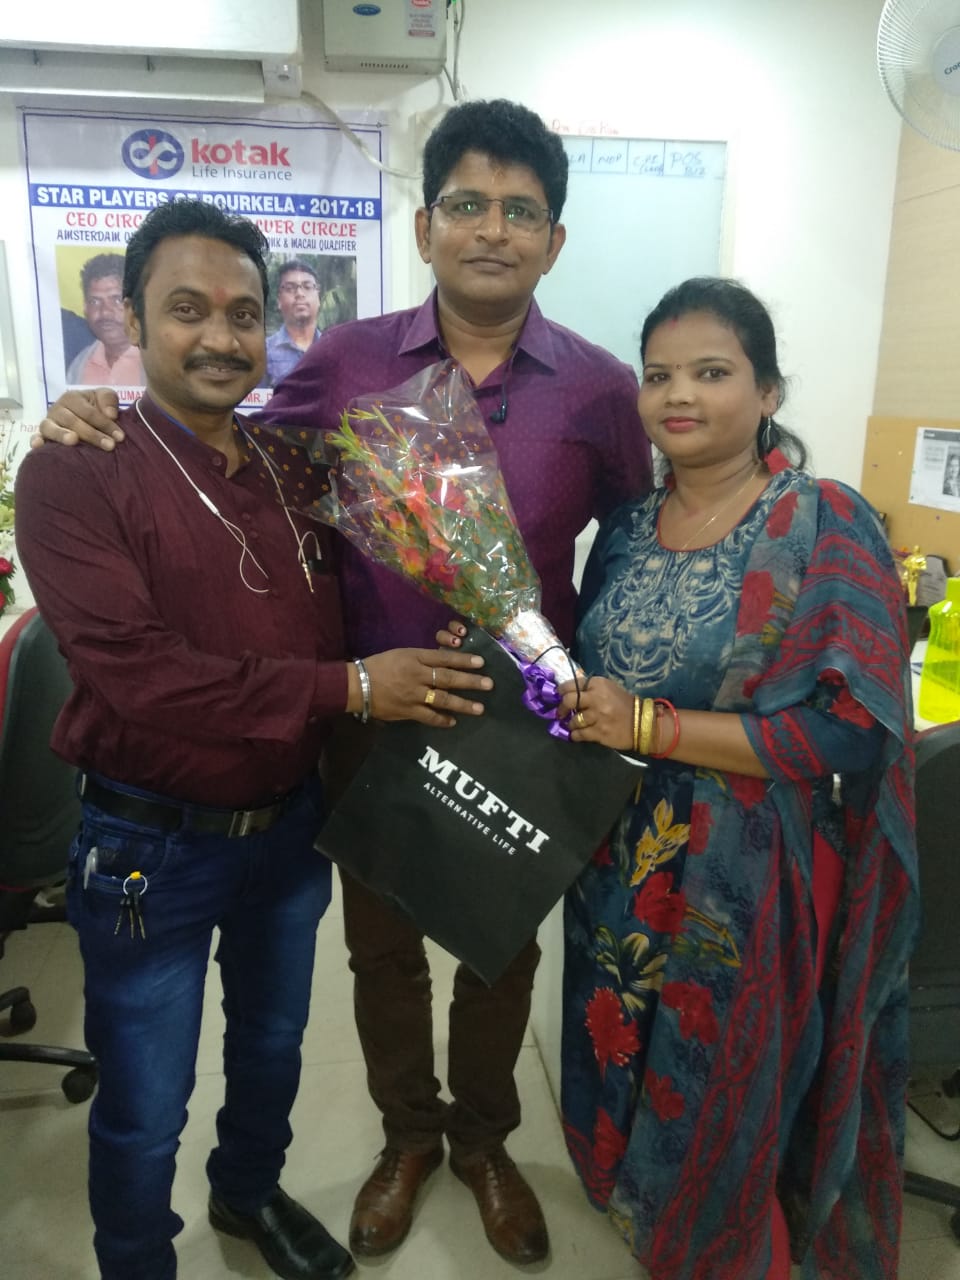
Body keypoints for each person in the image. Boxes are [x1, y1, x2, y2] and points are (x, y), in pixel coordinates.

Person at [34, 99, 652, 1267]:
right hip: (368, 714)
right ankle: (407, 1135)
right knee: (381, 956)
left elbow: (632, 542)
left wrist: (602, 687)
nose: (492, 229)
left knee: (500, 955)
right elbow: (222, 443)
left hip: (524, 725)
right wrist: (96, 406)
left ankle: (484, 1142)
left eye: (521, 211)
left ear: (554, 240)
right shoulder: (346, 363)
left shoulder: (601, 388)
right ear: (424, 226)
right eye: (466, 203)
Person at [15, 200, 492, 1280]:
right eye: (187, 309)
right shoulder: (76, 470)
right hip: (151, 845)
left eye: (242, 313)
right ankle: (138, 1258)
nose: (220, 336)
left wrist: (458, 621)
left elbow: (383, 565)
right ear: (135, 318)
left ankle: (247, 1193)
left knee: (272, 1052)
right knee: (146, 1101)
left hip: (288, 830)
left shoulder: (289, 465)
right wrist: (354, 686)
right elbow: (139, 674)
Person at [555, 277, 918, 1279]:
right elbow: (594, 672)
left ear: (767, 392)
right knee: (618, 1038)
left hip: (746, 867)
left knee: (722, 1077)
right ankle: (641, 1211)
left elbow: (850, 730)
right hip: (617, 852)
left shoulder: (821, 522)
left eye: (711, 372)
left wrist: (652, 724)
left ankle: (718, 1247)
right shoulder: (626, 526)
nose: (679, 394)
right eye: (659, 374)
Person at [66, 253, 144, 386]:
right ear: (85, 308)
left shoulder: (160, 364)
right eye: (95, 301)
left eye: (117, 300)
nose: (105, 312)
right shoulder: (79, 366)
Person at [266, 258, 323, 387]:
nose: (299, 293)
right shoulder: (264, 352)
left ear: (318, 298)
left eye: (307, 287)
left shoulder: (332, 349)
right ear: (279, 300)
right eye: (290, 288)